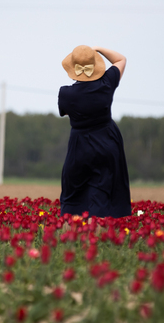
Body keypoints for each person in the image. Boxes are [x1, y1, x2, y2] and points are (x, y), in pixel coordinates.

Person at [57, 45, 132, 219]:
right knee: (105, 188)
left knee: (74, 192)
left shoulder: (66, 93)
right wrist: (99, 49)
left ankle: (74, 234)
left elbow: (66, 112)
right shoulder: (107, 83)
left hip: (79, 145)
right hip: (107, 141)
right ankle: (104, 234)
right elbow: (121, 59)